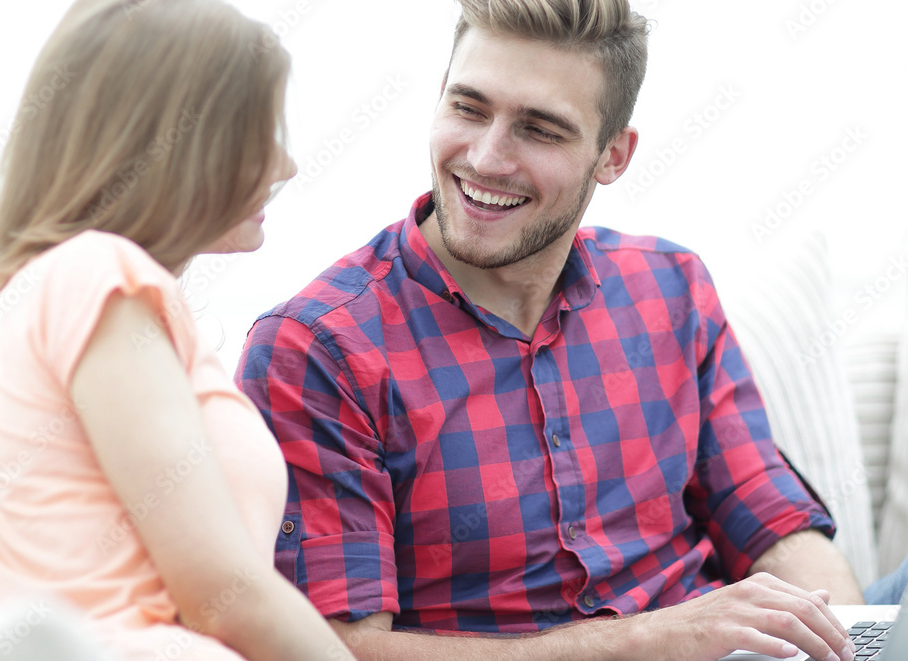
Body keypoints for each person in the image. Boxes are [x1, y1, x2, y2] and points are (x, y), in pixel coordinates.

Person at [238, 1, 899, 660]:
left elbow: (773, 523)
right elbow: (334, 649)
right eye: (468, 108)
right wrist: (649, 639)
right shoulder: (316, 348)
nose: (486, 158)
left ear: (613, 154)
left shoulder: (671, 288)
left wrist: (852, 642)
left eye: (540, 130)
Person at [0, 1, 355, 660]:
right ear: (181, 144)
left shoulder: (82, 288)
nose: (287, 165)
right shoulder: (96, 273)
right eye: (260, 133)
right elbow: (224, 590)